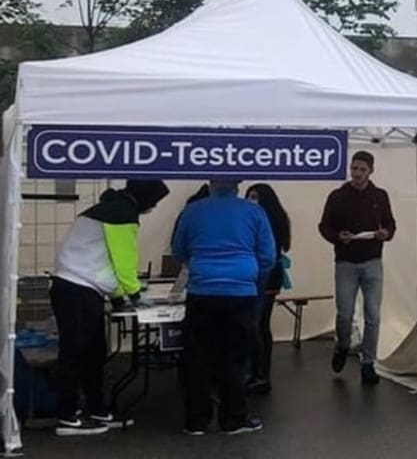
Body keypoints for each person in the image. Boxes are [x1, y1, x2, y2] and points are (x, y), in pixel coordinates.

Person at [50, 180, 169, 436]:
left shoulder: (110, 208)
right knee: (75, 354)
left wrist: (117, 298)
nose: (154, 207)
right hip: (78, 289)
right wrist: (134, 294)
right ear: (146, 197)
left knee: (93, 353)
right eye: (155, 202)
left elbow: (107, 260)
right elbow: (124, 260)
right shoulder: (122, 214)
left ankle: (97, 410)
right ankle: (66, 416)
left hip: (79, 287)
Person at [173, 179, 275, 436]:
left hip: (202, 290)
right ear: (237, 185)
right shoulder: (254, 211)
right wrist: (250, 276)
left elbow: (179, 251)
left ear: (210, 183)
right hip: (240, 292)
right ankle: (234, 419)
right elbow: (268, 256)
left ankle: (195, 422)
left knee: (198, 356)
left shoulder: (193, 210)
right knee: (235, 357)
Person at [319, 151, 397, 386]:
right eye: (354, 168)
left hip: (373, 260)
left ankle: (368, 363)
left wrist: (387, 234)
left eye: (362, 169)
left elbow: (391, 223)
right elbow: (324, 226)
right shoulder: (337, 196)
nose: (357, 173)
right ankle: (343, 344)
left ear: (370, 171)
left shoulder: (380, 196)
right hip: (346, 262)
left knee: (373, 315)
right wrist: (337, 237)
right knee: (345, 312)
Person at [244, 183, 292, 394]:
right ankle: (257, 371)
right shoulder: (260, 218)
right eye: (249, 196)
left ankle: (261, 374)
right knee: (257, 324)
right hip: (259, 275)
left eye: (254, 196)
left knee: (259, 324)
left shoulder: (272, 219)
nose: (251, 200)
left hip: (268, 276)